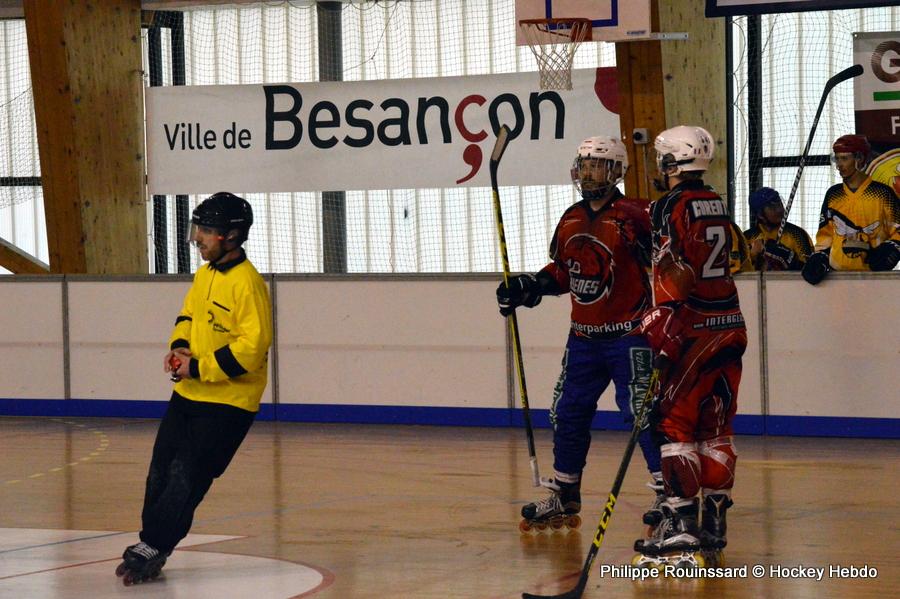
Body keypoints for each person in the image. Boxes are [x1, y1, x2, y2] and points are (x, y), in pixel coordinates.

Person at [495, 136, 663, 532]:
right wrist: (530, 286)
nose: (588, 172)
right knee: (566, 412)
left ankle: (670, 493)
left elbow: (672, 251)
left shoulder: (636, 214)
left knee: (643, 412)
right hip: (584, 338)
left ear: (617, 170)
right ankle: (566, 494)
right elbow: (565, 271)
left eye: (597, 165)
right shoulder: (570, 217)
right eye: (584, 164)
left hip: (630, 334)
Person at [116, 192, 273, 585]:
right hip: (188, 395)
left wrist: (199, 368)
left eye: (206, 230)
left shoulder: (248, 285)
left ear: (231, 236)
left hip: (228, 404)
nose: (198, 236)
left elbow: (251, 351)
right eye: (198, 228)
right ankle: (151, 541)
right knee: (160, 472)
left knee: (188, 476)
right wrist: (179, 347)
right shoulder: (205, 274)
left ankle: (155, 544)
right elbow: (187, 314)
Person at [635, 126, 747, 560]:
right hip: (730, 325)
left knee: (673, 425)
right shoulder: (715, 199)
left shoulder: (669, 205)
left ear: (670, 163)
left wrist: (663, 318)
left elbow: (671, 263)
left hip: (694, 329)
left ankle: (682, 525)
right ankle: (715, 519)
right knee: (716, 428)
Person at [802, 134, 900, 285]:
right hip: (836, 278)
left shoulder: (883, 193)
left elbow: (898, 231)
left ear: (859, 159)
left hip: (875, 277)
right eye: (837, 159)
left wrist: (892, 248)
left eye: (845, 158)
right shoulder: (833, 194)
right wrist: (820, 255)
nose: (839, 164)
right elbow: (826, 234)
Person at [744, 187, 813, 271]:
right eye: (772, 208)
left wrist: (788, 257)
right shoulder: (746, 238)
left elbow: (810, 270)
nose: (779, 210)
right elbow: (736, 272)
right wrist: (752, 255)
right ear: (760, 215)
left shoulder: (797, 235)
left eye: (780, 204)